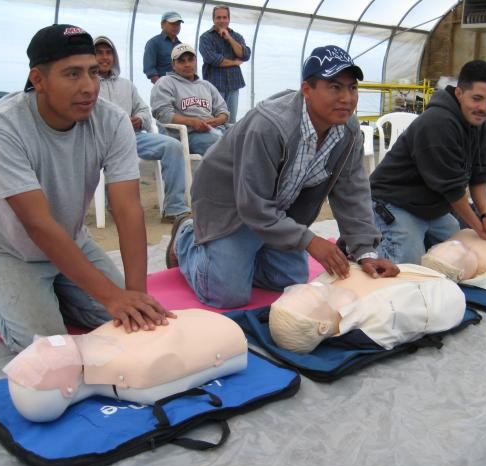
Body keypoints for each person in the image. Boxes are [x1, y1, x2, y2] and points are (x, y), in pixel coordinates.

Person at [0, 25, 173, 353]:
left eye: (93, 72)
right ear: (38, 80)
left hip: (73, 241)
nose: (89, 87)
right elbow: (38, 225)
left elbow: (128, 209)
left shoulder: (113, 121)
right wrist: (111, 297)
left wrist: (135, 296)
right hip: (11, 249)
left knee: (130, 322)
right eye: (72, 74)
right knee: (48, 348)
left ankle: (55, 290)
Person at [165, 45, 399, 309]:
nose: (347, 97)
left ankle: (243, 257)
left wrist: (366, 252)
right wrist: (309, 240)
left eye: (352, 88)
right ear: (307, 90)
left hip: (277, 210)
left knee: (290, 281)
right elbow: (252, 205)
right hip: (230, 207)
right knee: (228, 295)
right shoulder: (269, 126)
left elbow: (352, 192)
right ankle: (185, 234)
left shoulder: (348, 131)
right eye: (335, 87)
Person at [369, 59, 486, 265]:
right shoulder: (438, 122)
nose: (483, 107)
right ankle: (358, 248)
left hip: (432, 208)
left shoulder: (479, 123)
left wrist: (485, 216)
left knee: (459, 257)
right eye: (477, 98)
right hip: (394, 203)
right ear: (459, 93)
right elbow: (453, 190)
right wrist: (479, 228)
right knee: (407, 266)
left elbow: (480, 175)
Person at [3, 308, 247, 422]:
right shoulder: (138, 377)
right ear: (68, 390)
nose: (52, 345)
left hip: (213, 328)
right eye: (49, 357)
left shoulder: (126, 373)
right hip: (219, 333)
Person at [94, 35, 190, 222]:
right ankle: (114, 203)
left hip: (134, 137)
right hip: (101, 140)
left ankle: (174, 208)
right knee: (114, 157)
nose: (105, 57)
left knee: (172, 145)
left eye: (109, 53)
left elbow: (145, 110)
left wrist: (139, 119)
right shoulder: (87, 84)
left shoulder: (126, 85)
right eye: (99, 53)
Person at [268, 263, 465, 353]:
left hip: (410, 271)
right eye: (312, 298)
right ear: (323, 327)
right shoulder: (380, 323)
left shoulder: (327, 282)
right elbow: (429, 311)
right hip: (444, 292)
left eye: (296, 290)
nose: (312, 287)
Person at [150, 43, 229, 156]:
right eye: (181, 61)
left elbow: (223, 111)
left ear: (196, 61)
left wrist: (217, 121)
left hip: (215, 130)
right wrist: (193, 122)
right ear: (173, 64)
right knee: (226, 147)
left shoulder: (206, 85)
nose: (187, 64)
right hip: (187, 135)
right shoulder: (165, 82)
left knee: (246, 139)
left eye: (190, 60)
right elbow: (163, 114)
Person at [198, 5, 251, 123]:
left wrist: (229, 38)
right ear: (213, 19)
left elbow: (245, 55)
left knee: (231, 121)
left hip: (233, 85)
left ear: (229, 19)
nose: (222, 20)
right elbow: (213, 59)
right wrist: (235, 62)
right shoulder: (205, 38)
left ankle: (230, 141)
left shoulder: (237, 36)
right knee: (215, 121)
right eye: (218, 17)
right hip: (215, 86)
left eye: (224, 17)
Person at [143, 11, 183, 84]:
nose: (176, 27)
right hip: (163, 85)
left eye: (178, 24)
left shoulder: (181, 45)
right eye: (172, 24)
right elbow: (150, 70)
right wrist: (161, 86)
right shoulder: (153, 43)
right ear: (162, 25)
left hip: (180, 85)